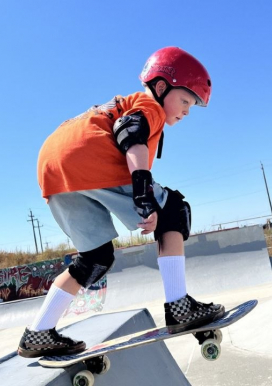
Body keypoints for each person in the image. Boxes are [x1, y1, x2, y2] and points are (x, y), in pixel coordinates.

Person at [17, 47, 225, 358]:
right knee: (174, 211)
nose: (186, 111)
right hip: (89, 157)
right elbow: (130, 133)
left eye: (192, 106)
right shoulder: (148, 105)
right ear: (160, 87)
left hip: (52, 168)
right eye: (184, 101)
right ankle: (178, 306)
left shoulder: (118, 106)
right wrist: (143, 194)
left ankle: (38, 333)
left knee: (95, 258)